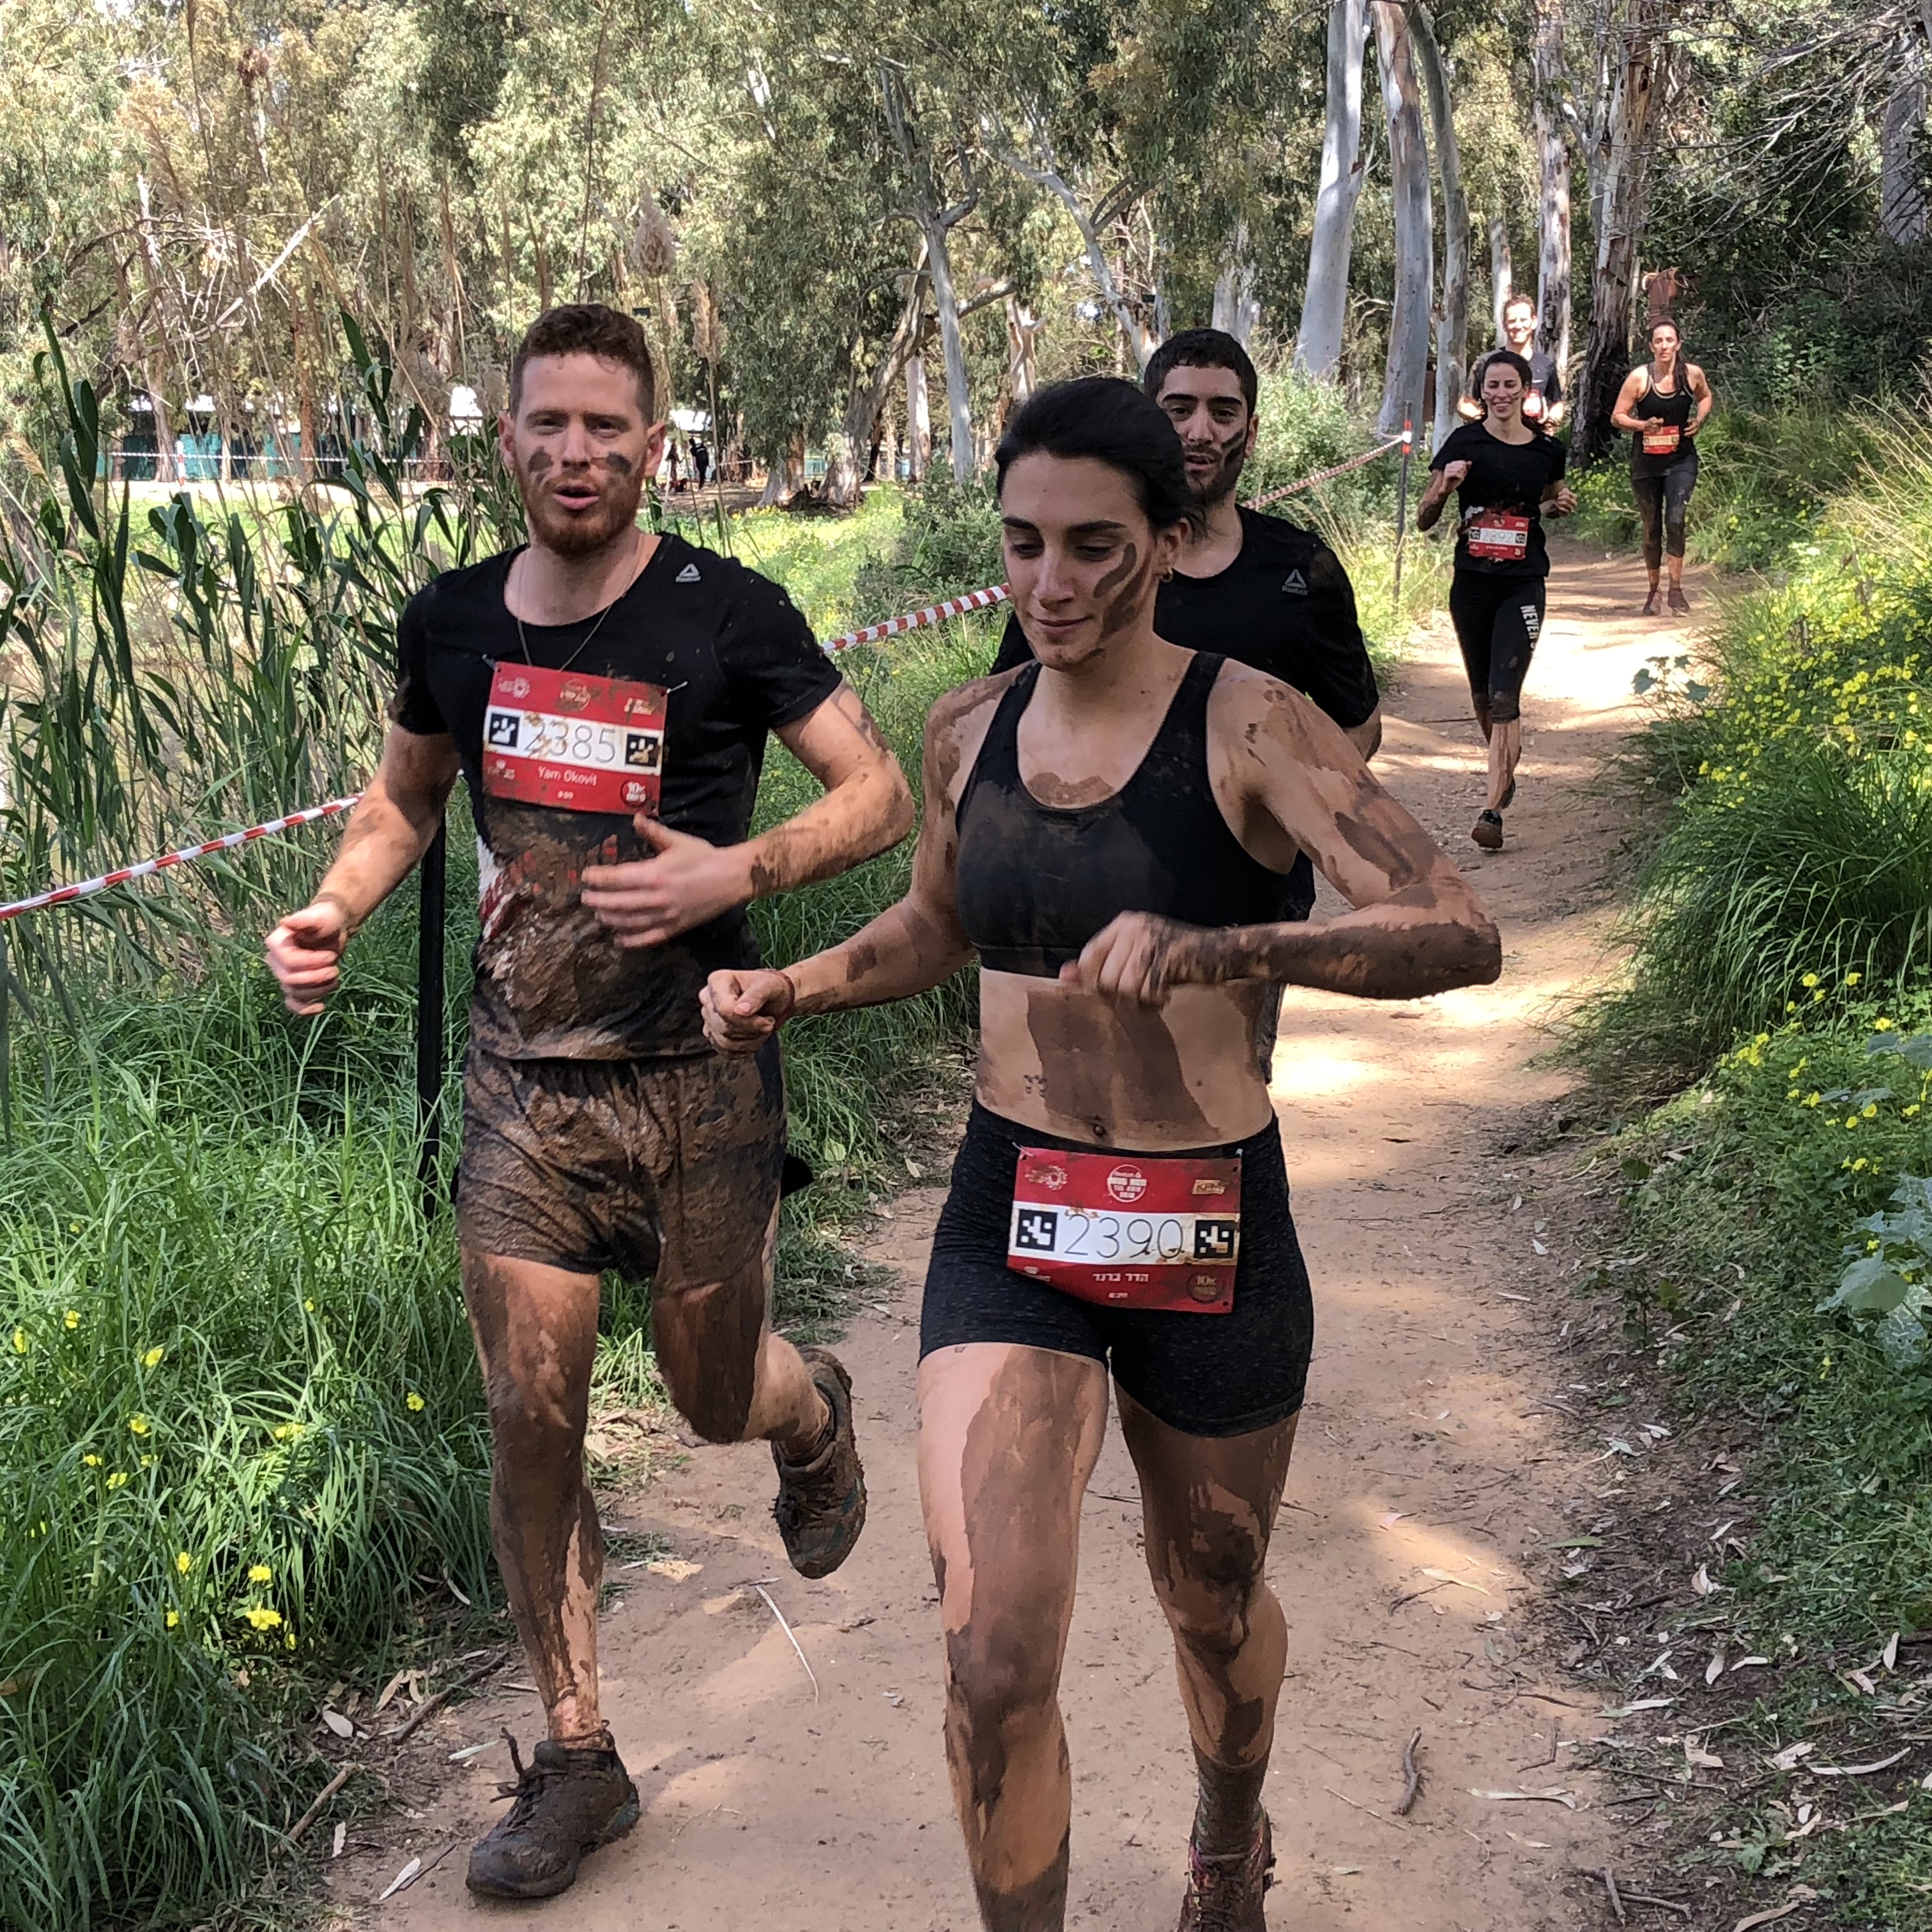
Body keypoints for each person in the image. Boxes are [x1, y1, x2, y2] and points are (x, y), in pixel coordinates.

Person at [702, 377, 1501, 1932]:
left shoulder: (1253, 721)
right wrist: (792, 984)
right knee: (992, 1654)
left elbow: (1459, 933)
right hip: (1016, 1219)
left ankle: (1229, 1825)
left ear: (1165, 535)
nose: (1051, 584)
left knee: (1210, 1602)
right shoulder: (965, 732)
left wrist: (1228, 947)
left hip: (1206, 1226)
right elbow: (939, 926)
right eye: (1022, 546)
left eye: (1091, 545)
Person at [264, 303, 912, 1900]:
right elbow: (406, 799)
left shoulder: (729, 613)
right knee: (531, 1419)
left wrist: (737, 867)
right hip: (525, 1098)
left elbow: (880, 793)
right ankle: (577, 1758)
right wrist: (336, 909)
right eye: (548, 424)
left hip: (701, 1086)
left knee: (704, 1396)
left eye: (606, 428)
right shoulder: (455, 621)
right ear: (509, 438)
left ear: (652, 437)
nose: (575, 453)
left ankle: (808, 1409)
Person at [992, 326, 1381, 926]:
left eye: (1223, 412)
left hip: (1251, 901)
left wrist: (1264, 804)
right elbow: (1012, 714)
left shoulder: (1302, 569)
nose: (1200, 432)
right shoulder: (1072, 579)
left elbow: (1357, 730)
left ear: (1250, 432)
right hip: (1084, 882)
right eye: (1179, 409)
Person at [1419, 348, 1578, 852]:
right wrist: (1444, 489)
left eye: (1511, 386)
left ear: (1526, 392)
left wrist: (1557, 506)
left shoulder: (1548, 450)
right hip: (1472, 584)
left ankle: (1491, 809)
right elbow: (1424, 519)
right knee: (1485, 698)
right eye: (1493, 386)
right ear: (1481, 392)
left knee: (1506, 693)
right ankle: (1505, 763)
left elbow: (1548, 502)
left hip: (1523, 582)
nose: (1502, 394)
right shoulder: (1463, 444)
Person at [1611, 318, 1713, 616]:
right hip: (1646, 464)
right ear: (1652, 346)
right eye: (1659, 341)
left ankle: (1677, 590)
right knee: (1652, 526)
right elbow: (1618, 416)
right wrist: (1644, 425)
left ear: (1678, 344)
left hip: (1681, 460)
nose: (1664, 346)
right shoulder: (1640, 379)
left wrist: (1699, 418)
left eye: (1670, 340)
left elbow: (1705, 397)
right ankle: (1654, 591)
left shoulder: (1691, 374)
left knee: (1676, 518)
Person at [1459, 293, 1565, 427]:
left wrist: (1550, 421)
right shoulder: (1486, 363)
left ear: (1534, 322)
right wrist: (1484, 419)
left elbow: (1557, 404)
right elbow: (1465, 404)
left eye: (1523, 320)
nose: (1518, 326)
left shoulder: (1546, 365)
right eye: (1512, 321)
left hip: (1534, 440)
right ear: (1504, 325)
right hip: (1495, 441)